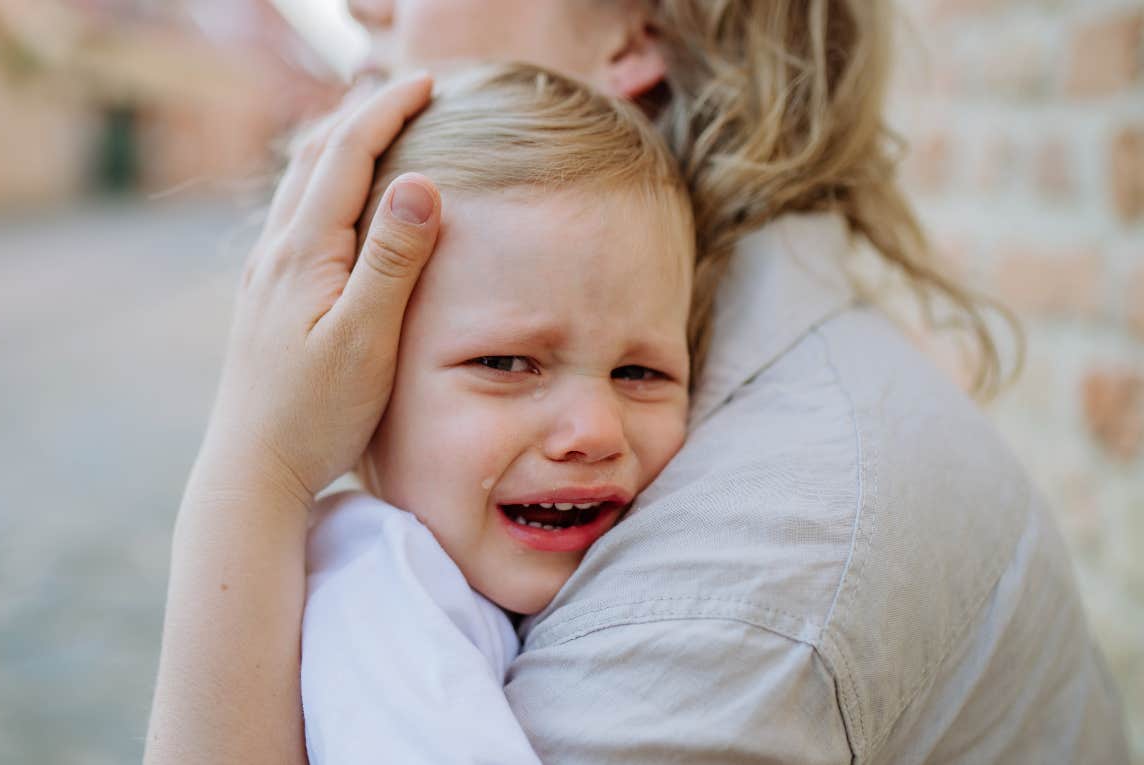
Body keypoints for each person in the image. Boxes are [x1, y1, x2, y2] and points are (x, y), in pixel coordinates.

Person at [145, 1, 1129, 763]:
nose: (364, 8)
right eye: (502, 363)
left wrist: (257, 467)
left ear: (634, 32)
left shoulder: (725, 588)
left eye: (641, 371)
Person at [300, 63, 693, 763]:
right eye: (508, 364)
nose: (595, 431)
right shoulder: (382, 596)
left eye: (640, 372)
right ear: (364, 387)